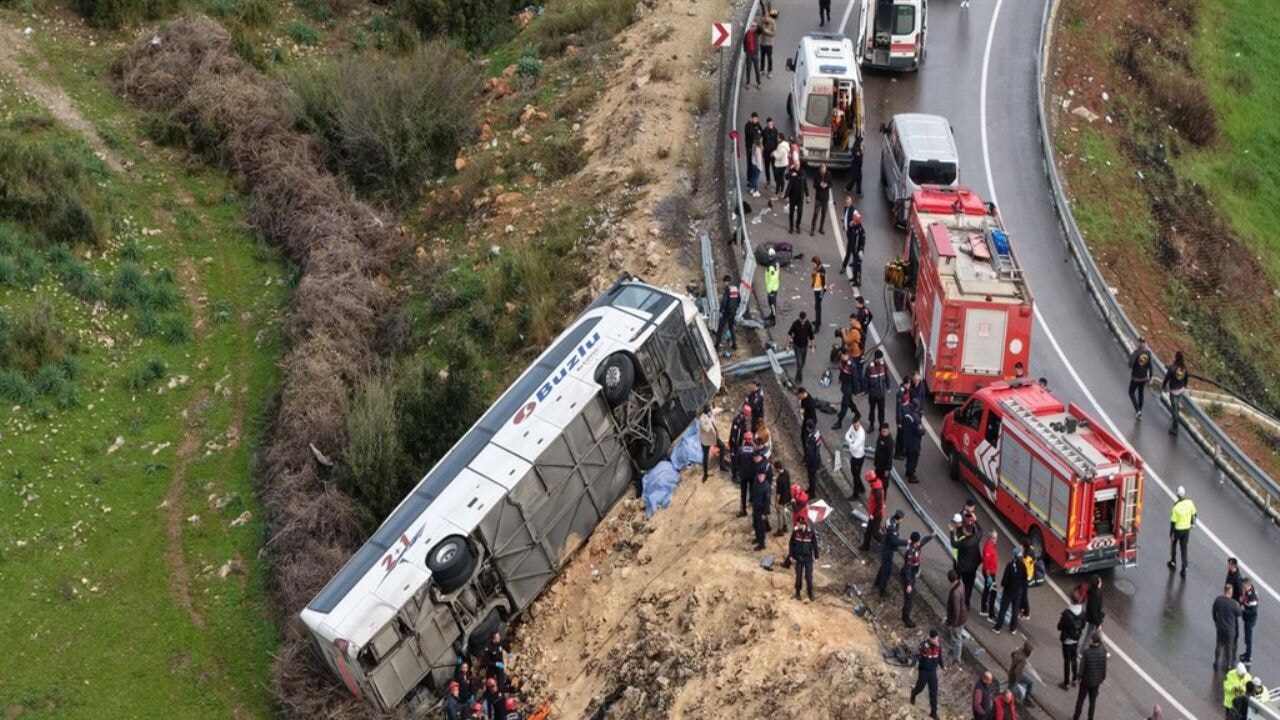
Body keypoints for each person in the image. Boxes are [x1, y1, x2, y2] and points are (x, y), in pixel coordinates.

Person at [910, 630, 945, 720]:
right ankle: (913, 693)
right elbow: (916, 656)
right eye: (934, 639)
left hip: (933, 671)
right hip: (924, 670)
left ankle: (933, 712)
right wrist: (913, 668)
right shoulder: (924, 645)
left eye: (937, 639)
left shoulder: (938, 646)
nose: (936, 641)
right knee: (920, 687)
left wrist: (943, 666)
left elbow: (939, 657)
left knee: (934, 691)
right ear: (931, 638)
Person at [901, 530, 933, 627]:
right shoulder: (910, 553)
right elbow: (908, 569)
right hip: (908, 576)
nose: (920, 542)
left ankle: (905, 614)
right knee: (909, 599)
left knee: (910, 597)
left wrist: (931, 536)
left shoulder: (917, 546)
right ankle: (906, 618)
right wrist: (909, 584)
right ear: (915, 542)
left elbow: (923, 541)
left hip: (913, 574)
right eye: (918, 541)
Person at [1072, 634, 1107, 720]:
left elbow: (1082, 668)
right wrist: (1102, 678)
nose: (1089, 640)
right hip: (1096, 682)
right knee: (1092, 702)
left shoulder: (1087, 652)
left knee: (1080, 700)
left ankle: (1076, 717)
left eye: (1091, 639)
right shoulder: (1103, 652)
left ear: (1094, 642)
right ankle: (1090, 718)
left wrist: (1078, 678)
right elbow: (1104, 667)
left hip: (1086, 682)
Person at [992, 549, 1026, 634]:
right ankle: (1013, 628)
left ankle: (998, 627)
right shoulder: (1023, 566)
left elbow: (1004, 581)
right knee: (1015, 610)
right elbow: (1025, 579)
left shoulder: (1010, 565)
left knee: (1003, 609)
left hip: (1008, 591)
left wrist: (1004, 585)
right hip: (1018, 591)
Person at [873, 508, 907, 595]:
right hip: (888, 549)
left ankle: (877, 583)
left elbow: (885, 528)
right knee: (887, 571)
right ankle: (882, 590)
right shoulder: (892, 528)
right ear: (899, 518)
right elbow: (895, 541)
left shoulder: (890, 520)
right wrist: (907, 542)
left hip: (886, 544)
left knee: (883, 567)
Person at [789, 514, 820, 600]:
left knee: (809, 576)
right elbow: (791, 544)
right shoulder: (795, 532)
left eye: (798, 524)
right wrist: (791, 555)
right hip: (798, 557)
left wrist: (816, 556)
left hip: (808, 558)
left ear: (803, 524)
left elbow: (815, 545)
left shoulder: (810, 532)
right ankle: (798, 592)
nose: (797, 525)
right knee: (798, 576)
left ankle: (810, 592)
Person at [1169, 485, 1197, 577]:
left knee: (1174, 544)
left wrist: (1171, 533)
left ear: (1177, 495)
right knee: (1184, 548)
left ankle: (1173, 561)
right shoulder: (1190, 503)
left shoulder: (1176, 507)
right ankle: (1184, 566)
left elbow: (1173, 522)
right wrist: (1192, 523)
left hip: (1178, 530)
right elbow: (1195, 514)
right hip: (1186, 530)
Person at [1214, 583, 1243, 671]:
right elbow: (1239, 613)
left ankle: (1216, 662)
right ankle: (1228, 665)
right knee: (1229, 648)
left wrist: (1216, 621)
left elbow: (1214, 611)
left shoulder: (1218, 600)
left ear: (1224, 591)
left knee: (1219, 645)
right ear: (1231, 592)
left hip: (1220, 627)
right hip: (1230, 630)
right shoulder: (1234, 604)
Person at [953, 520, 982, 607]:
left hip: (963, 567)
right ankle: (966, 602)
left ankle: (957, 599)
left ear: (966, 531)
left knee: (960, 583)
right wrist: (976, 520)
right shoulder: (976, 538)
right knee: (969, 586)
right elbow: (981, 531)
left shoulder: (964, 542)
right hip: (973, 568)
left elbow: (954, 544)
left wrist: (951, 532)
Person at [1057, 600, 1085, 688]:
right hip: (1076, 639)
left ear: (1071, 600)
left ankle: (1066, 682)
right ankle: (1074, 679)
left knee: (1067, 661)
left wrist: (1061, 619)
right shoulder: (1083, 613)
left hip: (1067, 640)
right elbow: (1083, 626)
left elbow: (1059, 627)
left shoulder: (1067, 613)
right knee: (1074, 659)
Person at [1162, 350, 1189, 436]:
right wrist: (1184, 386)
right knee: (1176, 406)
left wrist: (1163, 386)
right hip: (1181, 390)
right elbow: (1186, 378)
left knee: (1174, 410)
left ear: (1176, 357)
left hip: (1174, 391)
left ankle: (1175, 427)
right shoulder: (1184, 368)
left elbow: (1167, 378)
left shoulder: (1173, 368)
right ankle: (1175, 422)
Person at [1078, 575, 1105, 657]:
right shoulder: (1094, 595)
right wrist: (1098, 623)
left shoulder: (1094, 592)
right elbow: (1094, 610)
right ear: (1096, 583)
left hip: (1095, 619)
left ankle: (1102, 650)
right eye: (1100, 581)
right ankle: (1081, 651)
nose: (1101, 582)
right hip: (1094, 620)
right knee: (1089, 635)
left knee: (1092, 634)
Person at [864, 350, 891, 430]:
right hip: (872, 394)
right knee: (872, 411)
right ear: (876, 358)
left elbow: (887, 376)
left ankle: (881, 426)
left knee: (881, 412)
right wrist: (866, 391)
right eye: (880, 359)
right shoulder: (870, 366)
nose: (881, 360)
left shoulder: (883, 365)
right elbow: (866, 380)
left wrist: (888, 387)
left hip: (881, 394)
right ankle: (871, 425)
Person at [833, 349, 860, 428]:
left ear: (848, 355)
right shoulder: (842, 362)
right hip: (844, 386)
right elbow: (842, 371)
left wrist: (856, 391)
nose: (842, 357)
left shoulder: (852, 365)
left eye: (844, 356)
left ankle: (839, 421)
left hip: (849, 387)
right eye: (842, 356)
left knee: (844, 404)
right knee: (849, 402)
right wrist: (840, 379)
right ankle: (857, 413)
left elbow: (855, 379)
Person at [1128, 337, 1154, 418]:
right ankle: (1140, 411)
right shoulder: (1148, 353)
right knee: (1141, 394)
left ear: (1139, 342)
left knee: (1131, 392)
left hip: (1135, 377)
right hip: (1143, 378)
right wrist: (1150, 376)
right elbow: (1151, 366)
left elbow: (1130, 364)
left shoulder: (1136, 352)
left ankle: (1137, 410)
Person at [945, 569, 967, 664]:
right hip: (962, 616)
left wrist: (952, 624)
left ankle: (957, 658)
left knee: (957, 638)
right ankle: (952, 650)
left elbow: (956, 611)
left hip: (957, 620)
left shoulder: (955, 594)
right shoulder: (961, 584)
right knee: (954, 636)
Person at [861, 471, 886, 551]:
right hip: (875, 513)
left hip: (876, 515)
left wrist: (873, 514)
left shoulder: (876, 491)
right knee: (868, 531)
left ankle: (886, 542)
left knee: (875, 533)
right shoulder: (877, 484)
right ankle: (865, 546)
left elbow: (879, 506)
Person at [787, 312, 816, 382]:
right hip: (796, 346)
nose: (803, 322)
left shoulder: (808, 324)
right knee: (799, 363)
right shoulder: (795, 324)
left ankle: (797, 375)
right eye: (801, 321)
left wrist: (813, 347)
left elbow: (811, 336)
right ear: (799, 318)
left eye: (804, 321)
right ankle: (799, 378)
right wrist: (787, 346)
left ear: (806, 318)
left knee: (802, 363)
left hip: (804, 346)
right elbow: (789, 334)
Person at [841, 208, 866, 286]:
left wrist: (861, 250)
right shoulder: (854, 227)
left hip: (858, 251)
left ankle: (858, 281)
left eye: (855, 221)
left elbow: (862, 242)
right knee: (854, 265)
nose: (853, 222)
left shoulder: (861, 231)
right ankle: (854, 278)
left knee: (857, 266)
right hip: (853, 248)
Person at [901, 397, 923, 483]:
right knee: (914, 460)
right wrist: (923, 431)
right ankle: (911, 476)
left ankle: (907, 472)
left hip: (907, 441)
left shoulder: (906, 414)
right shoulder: (916, 418)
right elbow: (920, 431)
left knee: (908, 458)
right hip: (914, 443)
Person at [844, 419, 867, 501]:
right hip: (853, 455)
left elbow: (855, 447)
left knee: (856, 476)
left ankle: (856, 494)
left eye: (857, 423)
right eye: (854, 424)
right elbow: (846, 435)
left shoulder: (861, 434)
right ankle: (861, 488)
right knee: (854, 473)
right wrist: (852, 441)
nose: (856, 425)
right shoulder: (852, 427)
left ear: (859, 422)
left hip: (859, 457)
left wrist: (851, 443)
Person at [715, 275, 739, 351]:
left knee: (720, 328)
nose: (724, 284)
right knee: (731, 327)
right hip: (733, 311)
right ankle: (734, 345)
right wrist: (735, 308)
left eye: (724, 282)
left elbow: (724, 302)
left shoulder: (728, 289)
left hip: (727, 311)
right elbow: (739, 300)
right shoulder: (736, 288)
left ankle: (717, 346)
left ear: (726, 281)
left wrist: (721, 310)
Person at [736, 431, 757, 517]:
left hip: (743, 474)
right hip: (752, 474)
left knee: (743, 493)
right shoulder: (754, 450)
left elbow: (737, 462)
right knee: (753, 491)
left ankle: (743, 511)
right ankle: (752, 505)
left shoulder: (741, 450)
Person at [750, 469, 772, 550]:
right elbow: (753, 492)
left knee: (761, 527)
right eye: (759, 476)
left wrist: (765, 513)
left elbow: (767, 501)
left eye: (762, 476)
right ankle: (757, 538)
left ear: (765, 476)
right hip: (755, 507)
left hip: (762, 510)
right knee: (755, 524)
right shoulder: (755, 482)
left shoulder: (766, 487)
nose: (760, 478)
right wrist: (751, 501)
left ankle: (762, 544)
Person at [981, 530, 1000, 619]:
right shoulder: (988, 548)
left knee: (987, 589)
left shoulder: (990, 545)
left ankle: (984, 608)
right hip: (989, 574)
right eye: (994, 538)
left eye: (996, 538)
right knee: (993, 592)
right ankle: (991, 614)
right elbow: (986, 563)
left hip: (991, 573)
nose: (996, 540)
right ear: (990, 538)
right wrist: (988, 577)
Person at [785, 164, 808, 234]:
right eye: (795, 165)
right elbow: (786, 177)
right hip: (792, 196)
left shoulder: (803, 173)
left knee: (800, 212)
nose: (796, 167)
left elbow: (805, 185)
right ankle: (791, 226)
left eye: (797, 165)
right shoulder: (792, 171)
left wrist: (808, 195)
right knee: (791, 213)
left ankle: (798, 225)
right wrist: (791, 173)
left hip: (800, 197)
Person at [697, 406, 718, 483]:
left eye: (710, 410)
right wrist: (709, 420)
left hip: (713, 437)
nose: (710, 411)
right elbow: (706, 429)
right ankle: (705, 474)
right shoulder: (702, 419)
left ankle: (722, 467)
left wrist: (726, 409)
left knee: (722, 446)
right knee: (705, 457)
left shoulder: (710, 414)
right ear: (705, 411)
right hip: (706, 441)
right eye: (709, 410)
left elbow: (716, 410)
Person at [810, 163, 832, 235]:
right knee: (816, 213)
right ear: (820, 169)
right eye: (822, 168)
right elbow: (814, 185)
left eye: (824, 168)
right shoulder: (816, 174)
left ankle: (821, 228)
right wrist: (820, 185)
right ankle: (812, 228)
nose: (823, 170)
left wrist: (826, 185)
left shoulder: (828, 174)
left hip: (825, 197)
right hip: (818, 197)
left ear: (826, 168)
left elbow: (831, 184)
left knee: (824, 213)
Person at [1241, 577, 1258, 664]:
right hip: (1247, 619)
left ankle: (1248, 658)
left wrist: (1244, 610)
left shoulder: (1252, 597)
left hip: (1250, 620)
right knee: (1246, 638)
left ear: (1249, 585)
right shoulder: (1248, 592)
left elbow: (1253, 611)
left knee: (1248, 639)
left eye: (1244, 586)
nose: (1243, 588)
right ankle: (1247, 654)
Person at [773, 459, 792, 537]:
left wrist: (776, 503)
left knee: (779, 515)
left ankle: (780, 530)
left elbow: (778, 493)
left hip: (781, 499)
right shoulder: (787, 473)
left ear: (777, 468)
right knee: (784, 511)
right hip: (787, 497)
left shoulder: (779, 479)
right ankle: (785, 526)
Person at [802, 422, 822, 496]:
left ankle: (812, 493)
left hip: (813, 461)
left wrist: (807, 463)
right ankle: (811, 489)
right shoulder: (817, 432)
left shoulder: (812, 438)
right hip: (817, 458)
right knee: (812, 477)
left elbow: (810, 452)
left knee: (811, 477)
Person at [810, 256, 828, 326]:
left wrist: (822, 294)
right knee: (817, 307)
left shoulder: (821, 271)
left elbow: (824, 283)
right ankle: (818, 321)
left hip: (819, 290)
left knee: (817, 307)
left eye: (813, 263)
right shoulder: (816, 269)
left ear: (816, 263)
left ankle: (817, 325)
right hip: (816, 289)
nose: (813, 265)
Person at [742, 24, 761, 89]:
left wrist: (757, 26)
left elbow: (761, 30)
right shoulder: (747, 34)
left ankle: (758, 83)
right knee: (748, 69)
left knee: (757, 69)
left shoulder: (757, 33)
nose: (753, 27)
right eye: (752, 26)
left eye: (754, 26)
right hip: (749, 54)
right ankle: (748, 83)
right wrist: (745, 51)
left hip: (755, 54)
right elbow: (744, 42)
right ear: (750, 27)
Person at [759, 9, 777, 78]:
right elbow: (759, 29)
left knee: (769, 58)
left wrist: (767, 31)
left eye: (767, 16)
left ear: (769, 15)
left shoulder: (772, 22)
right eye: (764, 16)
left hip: (769, 44)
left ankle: (769, 72)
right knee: (762, 57)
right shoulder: (762, 21)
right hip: (762, 43)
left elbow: (774, 33)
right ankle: (762, 70)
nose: (765, 18)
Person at [764, 253, 780, 325]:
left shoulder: (771, 267)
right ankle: (771, 315)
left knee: (772, 304)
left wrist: (769, 290)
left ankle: (773, 320)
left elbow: (772, 279)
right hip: (774, 286)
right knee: (771, 303)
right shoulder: (776, 263)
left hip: (772, 288)